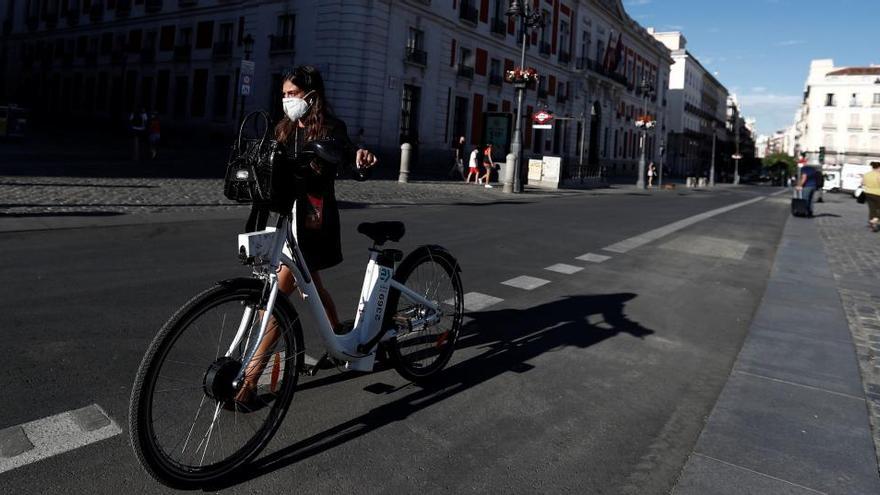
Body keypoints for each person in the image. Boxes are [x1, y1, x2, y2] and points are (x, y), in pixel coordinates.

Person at [236, 65, 377, 404]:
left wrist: (358, 156)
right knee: (311, 285)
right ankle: (342, 339)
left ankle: (250, 380)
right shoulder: (282, 128)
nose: (287, 100)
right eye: (284, 94)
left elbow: (344, 153)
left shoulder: (330, 128)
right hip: (284, 220)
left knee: (275, 298)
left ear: (311, 96)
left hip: (313, 221)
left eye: (293, 94)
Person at [862, 161, 880, 232]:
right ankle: (875, 220)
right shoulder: (879, 175)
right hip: (878, 194)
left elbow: (862, 183)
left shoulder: (867, 174)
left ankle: (872, 221)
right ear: (879, 167)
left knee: (872, 209)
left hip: (868, 193)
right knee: (878, 209)